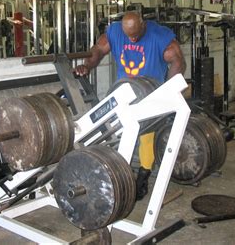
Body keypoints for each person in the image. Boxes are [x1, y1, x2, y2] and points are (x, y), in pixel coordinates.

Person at [75, 11, 186, 200]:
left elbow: (178, 62)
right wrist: (87, 66)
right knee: (115, 133)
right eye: (129, 35)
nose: (132, 39)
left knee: (146, 138)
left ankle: (142, 178)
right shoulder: (115, 32)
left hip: (150, 94)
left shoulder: (160, 36)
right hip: (123, 92)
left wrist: (167, 93)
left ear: (143, 24)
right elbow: (98, 51)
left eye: (135, 34)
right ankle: (116, 174)